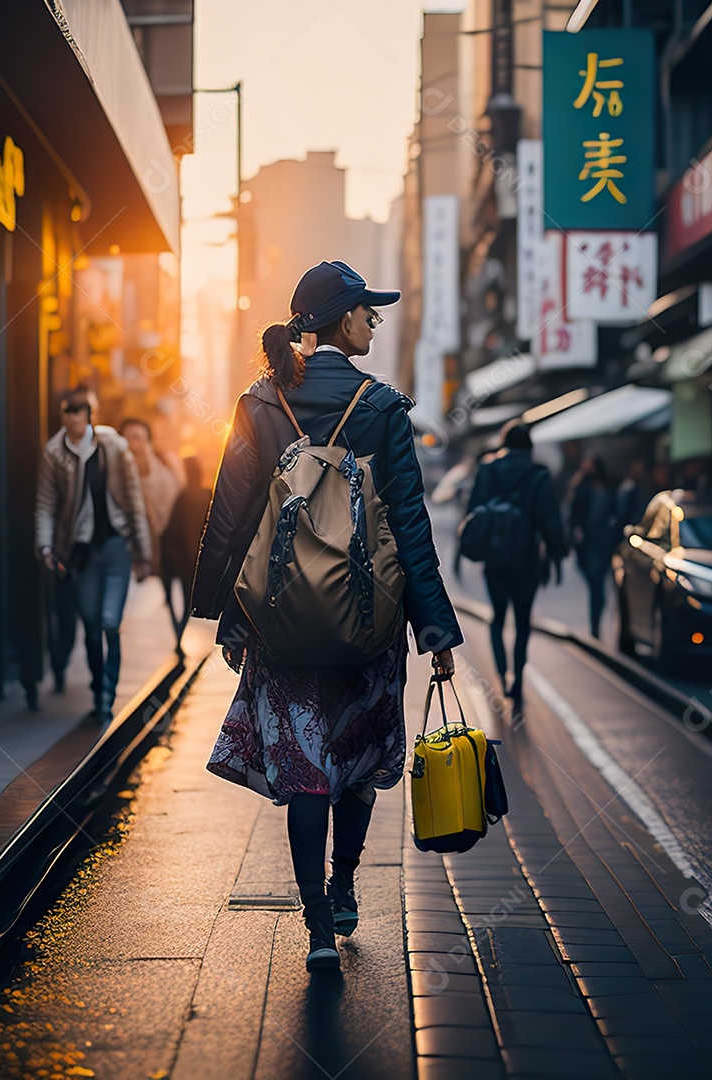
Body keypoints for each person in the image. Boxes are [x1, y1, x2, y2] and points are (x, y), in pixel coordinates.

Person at [190, 260, 462, 973]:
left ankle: (314, 925)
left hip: (281, 623)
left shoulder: (260, 401)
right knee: (356, 760)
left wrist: (218, 610)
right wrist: (434, 630)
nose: (374, 321)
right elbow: (409, 526)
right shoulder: (381, 406)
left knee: (306, 770)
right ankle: (345, 888)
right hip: (370, 624)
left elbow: (232, 516)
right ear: (341, 320)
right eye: (367, 312)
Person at [35, 386, 153, 724]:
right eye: (67, 412)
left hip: (116, 545)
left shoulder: (113, 446)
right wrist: (45, 546)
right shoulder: (54, 453)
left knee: (109, 622)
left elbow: (133, 499)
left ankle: (107, 694)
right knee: (89, 625)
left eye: (79, 411)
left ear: (89, 414)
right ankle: (97, 685)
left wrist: (143, 553)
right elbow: (45, 504)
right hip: (81, 552)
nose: (73, 418)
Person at [466, 421, 565, 707]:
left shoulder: (487, 469)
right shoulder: (538, 475)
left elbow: (473, 511)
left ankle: (501, 675)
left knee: (497, 618)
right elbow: (550, 520)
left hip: (495, 558)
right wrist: (557, 554)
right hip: (526, 559)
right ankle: (519, 678)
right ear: (529, 446)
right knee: (522, 621)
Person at [120, 415, 183, 602]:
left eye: (137, 437)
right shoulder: (117, 475)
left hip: (168, 547)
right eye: (126, 438)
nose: (131, 443)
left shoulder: (166, 466)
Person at [159, 455, 211, 652]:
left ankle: (178, 638)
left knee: (182, 602)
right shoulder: (207, 495)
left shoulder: (182, 497)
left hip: (183, 561)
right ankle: (178, 637)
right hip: (200, 560)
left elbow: (171, 531)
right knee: (188, 604)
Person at [568, 456, 618, 638]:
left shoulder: (608, 487)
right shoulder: (583, 487)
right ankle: (595, 626)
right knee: (596, 586)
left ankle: (596, 625)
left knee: (599, 586)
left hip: (604, 542)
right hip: (589, 543)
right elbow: (574, 514)